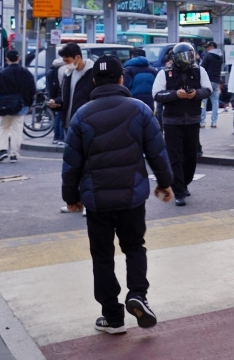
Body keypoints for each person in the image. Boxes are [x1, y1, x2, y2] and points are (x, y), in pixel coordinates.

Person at [62, 55, 174, 335]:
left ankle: (112, 317)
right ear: (122, 79)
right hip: (131, 196)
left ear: (95, 81)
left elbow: (71, 162)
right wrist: (165, 182)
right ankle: (137, 295)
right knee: (135, 246)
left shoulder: (82, 115)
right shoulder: (139, 109)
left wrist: (71, 196)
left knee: (102, 257)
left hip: (96, 200)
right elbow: (157, 152)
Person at [152, 43, 205, 205]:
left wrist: (195, 94)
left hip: (192, 119)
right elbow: (157, 94)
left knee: (190, 156)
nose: (187, 60)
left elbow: (207, 90)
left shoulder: (199, 71)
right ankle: (179, 192)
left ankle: (184, 183)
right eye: (183, 57)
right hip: (172, 121)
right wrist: (175, 94)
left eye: (190, 56)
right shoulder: (164, 73)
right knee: (175, 157)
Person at [0, 49, 35, 162]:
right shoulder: (26, 73)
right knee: (16, 130)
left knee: (3, 128)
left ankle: (2, 151)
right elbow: (32, 90)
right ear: (18, 58)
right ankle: (14, 154)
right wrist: (29, 104)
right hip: (21, 104)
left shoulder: (1, 74)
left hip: (4, 105)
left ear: (7, 59)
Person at [58, 43, 97, 137]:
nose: (66, 64)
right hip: (68, 123)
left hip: (86, 122)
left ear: (78, 57)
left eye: (68, 61)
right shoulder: (68, 73)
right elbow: (64, 96)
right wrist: (56, 102)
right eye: (64, 61)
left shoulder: (93, 73)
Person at [200, 41, 224, 127]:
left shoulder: (208, 56)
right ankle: (214, 122)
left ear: (212, 47)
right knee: (215, 102)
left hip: (207, 81)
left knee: (203, 101)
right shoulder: (220, 56)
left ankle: (202, 122)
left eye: (207, 47)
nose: (206, 49)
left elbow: (202, 68)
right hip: (216, 81)